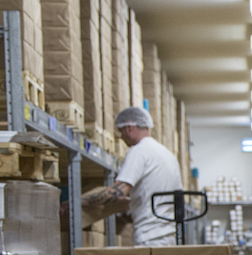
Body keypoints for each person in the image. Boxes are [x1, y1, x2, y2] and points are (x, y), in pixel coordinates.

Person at [79, 106, 185, 247]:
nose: (122, 138)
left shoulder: (138, 152)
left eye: (121, 132)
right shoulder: (168, 155)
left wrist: (79, 201)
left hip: (149, 237)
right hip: (169, 236)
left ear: (129, 127)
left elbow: (118, 191)